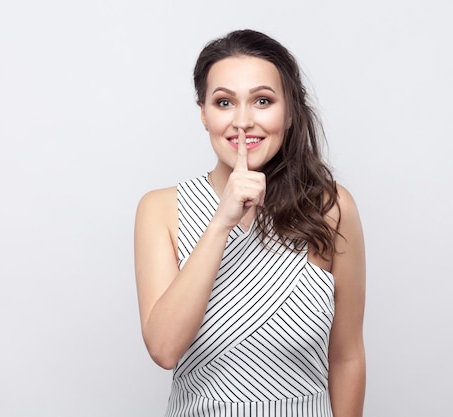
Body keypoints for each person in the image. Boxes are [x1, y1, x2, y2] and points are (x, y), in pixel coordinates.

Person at [134, 29, 366, 417]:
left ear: (289, 112)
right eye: (224, 102)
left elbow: (346, 358)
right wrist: (222, 221)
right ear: (204, 114)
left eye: (262, 101)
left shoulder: (330, 206)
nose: (243, 121)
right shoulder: (161, 209)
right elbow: (163, 348)